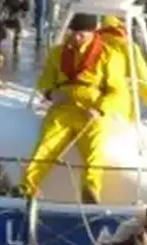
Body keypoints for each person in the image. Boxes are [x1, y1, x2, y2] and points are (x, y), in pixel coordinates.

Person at [20, 13, 122, 203]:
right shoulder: (57, 53)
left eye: (82, 34)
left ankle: (90, 190)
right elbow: (45, 82)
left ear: (93, 33)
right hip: (63, 108)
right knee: (45, 147)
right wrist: (51, 94)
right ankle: (27, 186)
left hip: (91, 111)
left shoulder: (108, 55)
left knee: (95, 151)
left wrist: (99, 109)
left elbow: (117, 91)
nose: (76, 38)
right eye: (74, 33)